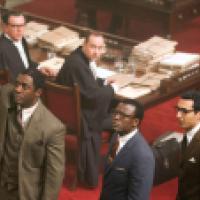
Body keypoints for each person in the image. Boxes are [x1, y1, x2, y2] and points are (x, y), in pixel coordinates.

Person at [56, 31, 115, 187]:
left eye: (100, 48)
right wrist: (110, 89)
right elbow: (91, 96)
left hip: (69, 114)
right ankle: (110, 166)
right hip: (80, 119)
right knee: (120, 119)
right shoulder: (77, 64)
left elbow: (86, 85)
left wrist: (102, 82)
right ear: (84, 44)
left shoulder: (78, 58)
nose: (96, 52)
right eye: (93, 47)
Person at [0, 68, 65, 200]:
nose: (18, 89)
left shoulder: (53, 127)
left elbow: (54, 175)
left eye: (25, 87)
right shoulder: (5, 98)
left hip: (25, 193)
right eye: (17, 84)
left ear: (38, 92)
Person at [100, 99, 155, 200]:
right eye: (115, 113)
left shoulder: (143, 155)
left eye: (123, 115)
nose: (116, 117)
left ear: (135, 122)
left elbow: (139, 197)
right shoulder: (116, 136)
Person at [176, 90, 200, 200]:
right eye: (177, 110)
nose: (178, 115)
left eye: (184, 111)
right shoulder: (188, 133)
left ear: (198, 114)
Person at [0, 10, 38, 81]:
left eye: (22, 25)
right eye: (15, 26)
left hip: (29, 79)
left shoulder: (22, 39)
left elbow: (26, 63)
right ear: (5, 27)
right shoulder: (2, 48)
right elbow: (4, 80)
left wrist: (40, 68)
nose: (20, 30)